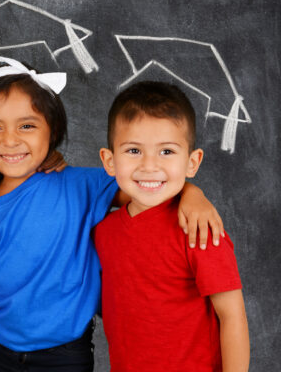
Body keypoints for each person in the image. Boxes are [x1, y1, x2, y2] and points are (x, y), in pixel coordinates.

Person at [0, 57, 225, 372]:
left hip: (65, 356)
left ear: (52, 129)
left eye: (27, 125)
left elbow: (147, 186)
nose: (11, 140)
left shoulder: (81, 185)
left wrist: (193, 193)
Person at [95, 81, 249, 371]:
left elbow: (232, 316)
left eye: (166, 151)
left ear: (192, 162)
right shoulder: (104, 232)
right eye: (133, 151)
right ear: (109, 160)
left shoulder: (201, 230)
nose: (150, 166)